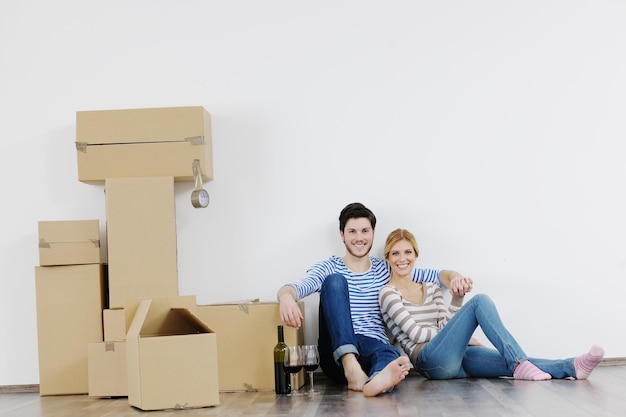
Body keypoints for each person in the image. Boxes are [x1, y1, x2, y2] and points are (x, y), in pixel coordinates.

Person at [277, 203, 473, 396]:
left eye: (365, 231)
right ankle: (350, 365)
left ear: (373, 233)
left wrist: (456, 278)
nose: (359, 238)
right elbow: (294, 288)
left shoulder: (386, 269)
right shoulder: (330, 267)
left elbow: (440, 276)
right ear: (342, 234)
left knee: (390, 354)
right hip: (336, 355)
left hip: (372, 348)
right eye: (352, 231)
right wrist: (286, 298)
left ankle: (376, 380)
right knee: (335, 282)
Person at [379, 228, 604, 386]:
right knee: (480, 301)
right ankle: (519, 364)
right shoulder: (388, 293)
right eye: (395, 253)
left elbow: (447, 324)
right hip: (430, 361)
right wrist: (461, 334)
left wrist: (456, 302)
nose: (402, 258)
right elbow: (416, 335)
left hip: (457, 354)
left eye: (408, 252)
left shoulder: (432, 287)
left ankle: (573, 367)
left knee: (511, 363)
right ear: (388, 257)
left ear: (416, 255)